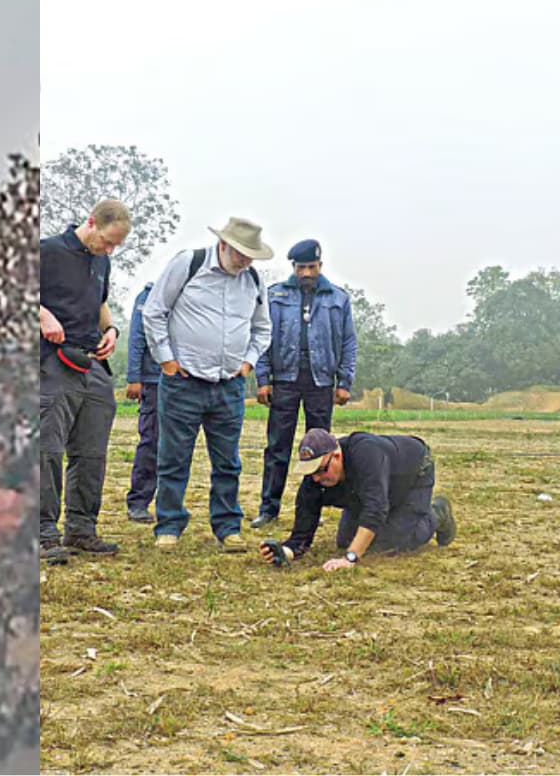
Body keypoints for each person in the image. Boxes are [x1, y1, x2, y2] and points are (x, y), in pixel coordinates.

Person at [141, 217, 272, 552]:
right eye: (240, 253)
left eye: (250, 255)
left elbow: (263, 328)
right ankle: (169, 525)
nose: (245, 261)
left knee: (228, 462)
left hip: (229, 385)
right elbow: (154, 311)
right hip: (183, 383)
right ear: (223, 244)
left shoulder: (253, 280)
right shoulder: (189, 264)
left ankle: (228, 527)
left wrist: (248, 363)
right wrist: (166, 360)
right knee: (173, 458)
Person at [39, 199, 130, 565]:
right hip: (53, 361)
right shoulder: (48, 251)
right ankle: (42, 532)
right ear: (91, 222)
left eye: (115, 246)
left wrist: (111, 330)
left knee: (92, 451)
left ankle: (81, 528)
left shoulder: (101, 260)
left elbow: (100, 303)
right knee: (46, 448)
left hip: (92, 362)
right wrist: (42, 315)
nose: (109, 250)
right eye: (107, 241)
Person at [251, 239, 358, 529]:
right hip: (284, 380)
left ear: (320, 266)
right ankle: (268, 509)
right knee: (277, 447)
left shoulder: (338, 298)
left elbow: (348, 342)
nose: (306, 273)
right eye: (301, 268)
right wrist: (263, 378)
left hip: (321, 381)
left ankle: (315, 509)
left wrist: (344, 381)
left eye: (311, 267)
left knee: (322, 448)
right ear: (293, 267)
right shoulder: (275, 295)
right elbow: (262, 337)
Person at [257, 428, 456, 571]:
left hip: (413, 475)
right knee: (346, 541)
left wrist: (350, 558)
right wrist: (286, 551)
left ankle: (437, 513)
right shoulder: (315, 480)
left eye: (321, 470)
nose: (317, 478)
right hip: (369, 490)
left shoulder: (366, 453)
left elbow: (376, 509)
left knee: (391, 541)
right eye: (311, 473)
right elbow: (303, 529)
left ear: (336, 456)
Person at [123, 281, 160, 524]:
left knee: (177, 446)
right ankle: (138, 502)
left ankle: (169, 503)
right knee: (151, 441)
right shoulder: (148, 296)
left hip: (185, 379)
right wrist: (134, 377)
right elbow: (137, 338)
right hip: (154, 380)